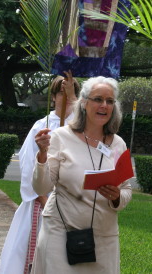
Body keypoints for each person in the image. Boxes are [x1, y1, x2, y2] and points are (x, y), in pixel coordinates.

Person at [30, 76, 132, 273]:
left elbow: (126, 190)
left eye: (110, 101)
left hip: (104, 239)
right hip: (61, 233)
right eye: (98, 99)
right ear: (84, 103)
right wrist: (42, 155)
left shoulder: (118, 144)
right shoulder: (60, 137)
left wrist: (117, 197)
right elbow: (42, 188)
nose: (104, 105)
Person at [0, 71, 80, 274]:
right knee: (35, 256)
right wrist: (43, 199)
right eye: (60, 93)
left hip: (72, 204)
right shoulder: (42, 125)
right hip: (43, 202)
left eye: (70, 92)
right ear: (53, 97)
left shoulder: (81, 127)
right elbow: (28, 164)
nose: (66, 97)